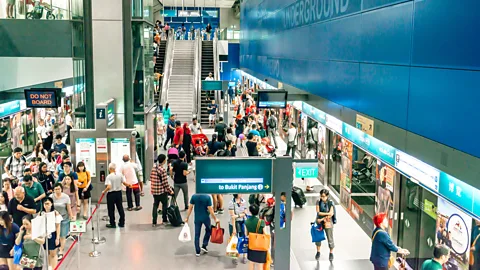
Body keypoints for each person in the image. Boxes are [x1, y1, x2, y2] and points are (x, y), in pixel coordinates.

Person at [102, 163, 130, 228]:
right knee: (120, 207)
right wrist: (129, 185)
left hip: (111, 194)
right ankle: (122, 222)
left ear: (109, 169)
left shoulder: (109, 177)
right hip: (118, 193)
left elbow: (109, 187)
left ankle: (112, 223)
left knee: (111, 209)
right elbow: (124, 183)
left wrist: (104, 191)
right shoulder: (120, 175)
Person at [50, 183, 73, 259]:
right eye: (55, 189)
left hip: (64, 218)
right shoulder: (51, 197)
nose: (57, 191)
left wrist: (71, 216)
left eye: (58, 189)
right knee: (55, 235)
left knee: (62, 235)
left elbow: (68, 208)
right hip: (53, 219)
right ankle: (55, 248)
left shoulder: (66, 197)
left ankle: (61, 251)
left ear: (61, 189)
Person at [150, 154, 174, 227]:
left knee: (155, 205)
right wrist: (171, 191)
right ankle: (164, 220)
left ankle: (154, 222)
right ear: (163, 161)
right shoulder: (162, 170)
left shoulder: (153, 168)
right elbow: (165, 183)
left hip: (154, 191)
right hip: (162, 191)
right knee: (164, 205)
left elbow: (151, 177)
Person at [245, 204, 268, 269]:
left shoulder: (247, 222)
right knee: (260, 264)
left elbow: (247, 234)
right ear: (258, 211)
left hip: (252, 244)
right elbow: (265, 233)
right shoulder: (261, 222)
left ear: (250, 211)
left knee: (251, 263)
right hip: (261, 245)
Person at [41, 197, 61, 269]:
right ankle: (49, 266)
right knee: (47, 252)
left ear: (51, 204)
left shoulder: (55, 213)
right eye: (45, 204)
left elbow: (58, 226)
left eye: (48, 203)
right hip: (44, 235)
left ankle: (54, 267)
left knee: (53, 253)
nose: (46, 205)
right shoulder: (41, 213)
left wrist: (57, 238)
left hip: (52, 234)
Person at [315, 189, 335, 261]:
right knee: (318, 237)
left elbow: (331, 213)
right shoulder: (318, 201)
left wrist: (322, 218)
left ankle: (331, 253)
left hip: (327, 221)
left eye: (323, 196)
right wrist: (327, 214)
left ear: (327, 196)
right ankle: (318, 251)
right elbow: (318, 212)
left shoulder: (330, 203)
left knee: (330, 237)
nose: (322, 198)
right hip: (319, 221)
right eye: (321, 196)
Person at [229, 194, 248, 264]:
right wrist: (234, 228)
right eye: (240, 193)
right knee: (234, 240)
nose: (242, 194)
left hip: (242, 222)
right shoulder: (231, 203)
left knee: (244, 239)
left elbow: (245, 213)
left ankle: (244, 256)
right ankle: (234, 257)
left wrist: (238, 215)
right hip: (233, 223)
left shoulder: (243, 201)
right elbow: (232, 217)